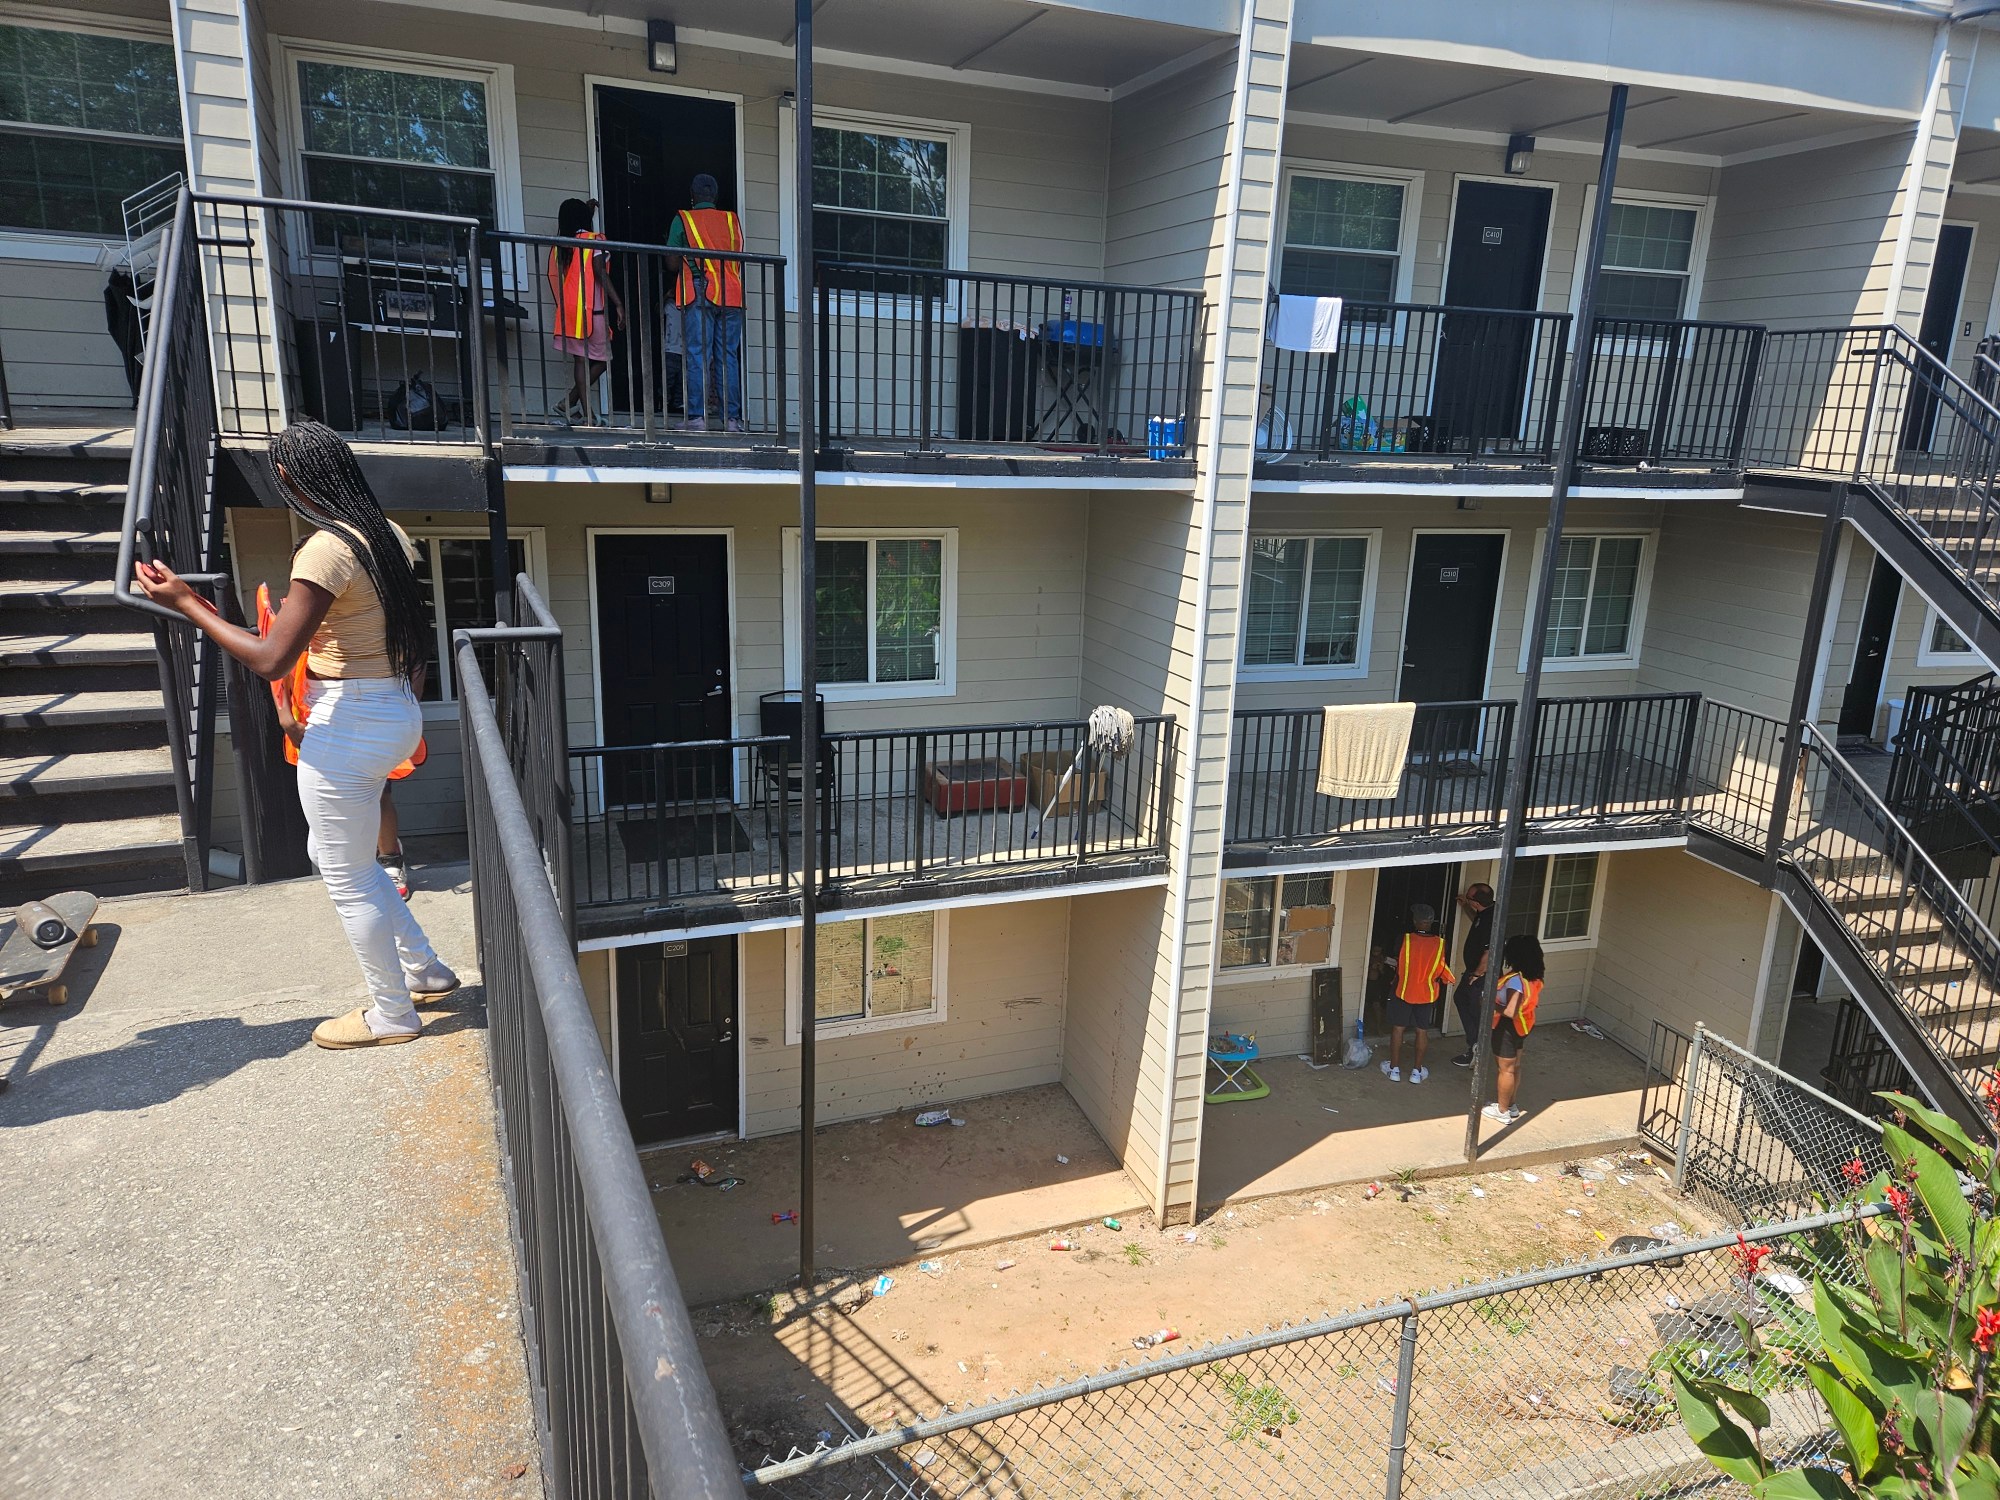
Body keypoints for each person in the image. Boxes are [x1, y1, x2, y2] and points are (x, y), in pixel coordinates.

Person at [135, 420, 459, 1049]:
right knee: (350, 862)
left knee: (344, 873)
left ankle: (392, 1012)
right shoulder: (387, 536)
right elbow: (414, 643)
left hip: (349, 720)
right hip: (394, 708)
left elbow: (271, 659)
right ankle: (425, 968)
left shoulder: (324, 550)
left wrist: (186, 603)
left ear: (287, 479)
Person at [667, 173, 745, 433]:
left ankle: (698, 418)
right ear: (715, 196)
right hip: (731, 293)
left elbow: (672, 263)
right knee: (728, 358)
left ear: (692, 195)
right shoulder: (732, 221)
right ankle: (732, 420)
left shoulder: (684, 219)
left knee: (698, 356)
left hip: (699, 290)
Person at [547, 197, 625, 427]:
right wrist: (618, 303)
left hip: (569, 312)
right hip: (593, 310)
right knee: (604, 359)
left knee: (580, 362)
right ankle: (586, 413)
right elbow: (600, 271)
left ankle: (569, 404)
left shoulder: (562, 244)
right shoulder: (595, 240)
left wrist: (586, 210)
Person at [1381, 903, 1453, 1084]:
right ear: (1431, 922)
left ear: (1415, 921)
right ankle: (1416, 1072)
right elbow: (1441, 969)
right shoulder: (1440, 944)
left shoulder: (1404, 939)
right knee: (1422, 1031)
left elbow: (1396, 962)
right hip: (1427, 993)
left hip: (1403, 990)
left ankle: (1394, 1069)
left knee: (1398, 1028)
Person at [1482, 933, 1546, 1123]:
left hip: (1507, 1028)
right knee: (1515, 1067)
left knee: (1506, 1070)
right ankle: (1511, 1105)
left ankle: (1502, 1111)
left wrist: (1490, 1005)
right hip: (1523, 1026)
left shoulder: (1515, 981)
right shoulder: (1534, 978)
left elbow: (1510, 1011)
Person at [1449, 882, 1495, 1068]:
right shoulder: (1484, 912)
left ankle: (1477, 1048)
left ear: (1477, 902)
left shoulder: (1492, 920)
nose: (1467, 899)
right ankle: (1475, 1045)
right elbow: (1477, 921)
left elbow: (1489, 952)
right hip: (1474, 973)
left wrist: (1476, 974)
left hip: (1481, 976)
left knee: (1475, 1010)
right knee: (1461, 999)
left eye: (1470, 898)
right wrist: (1466, 906)